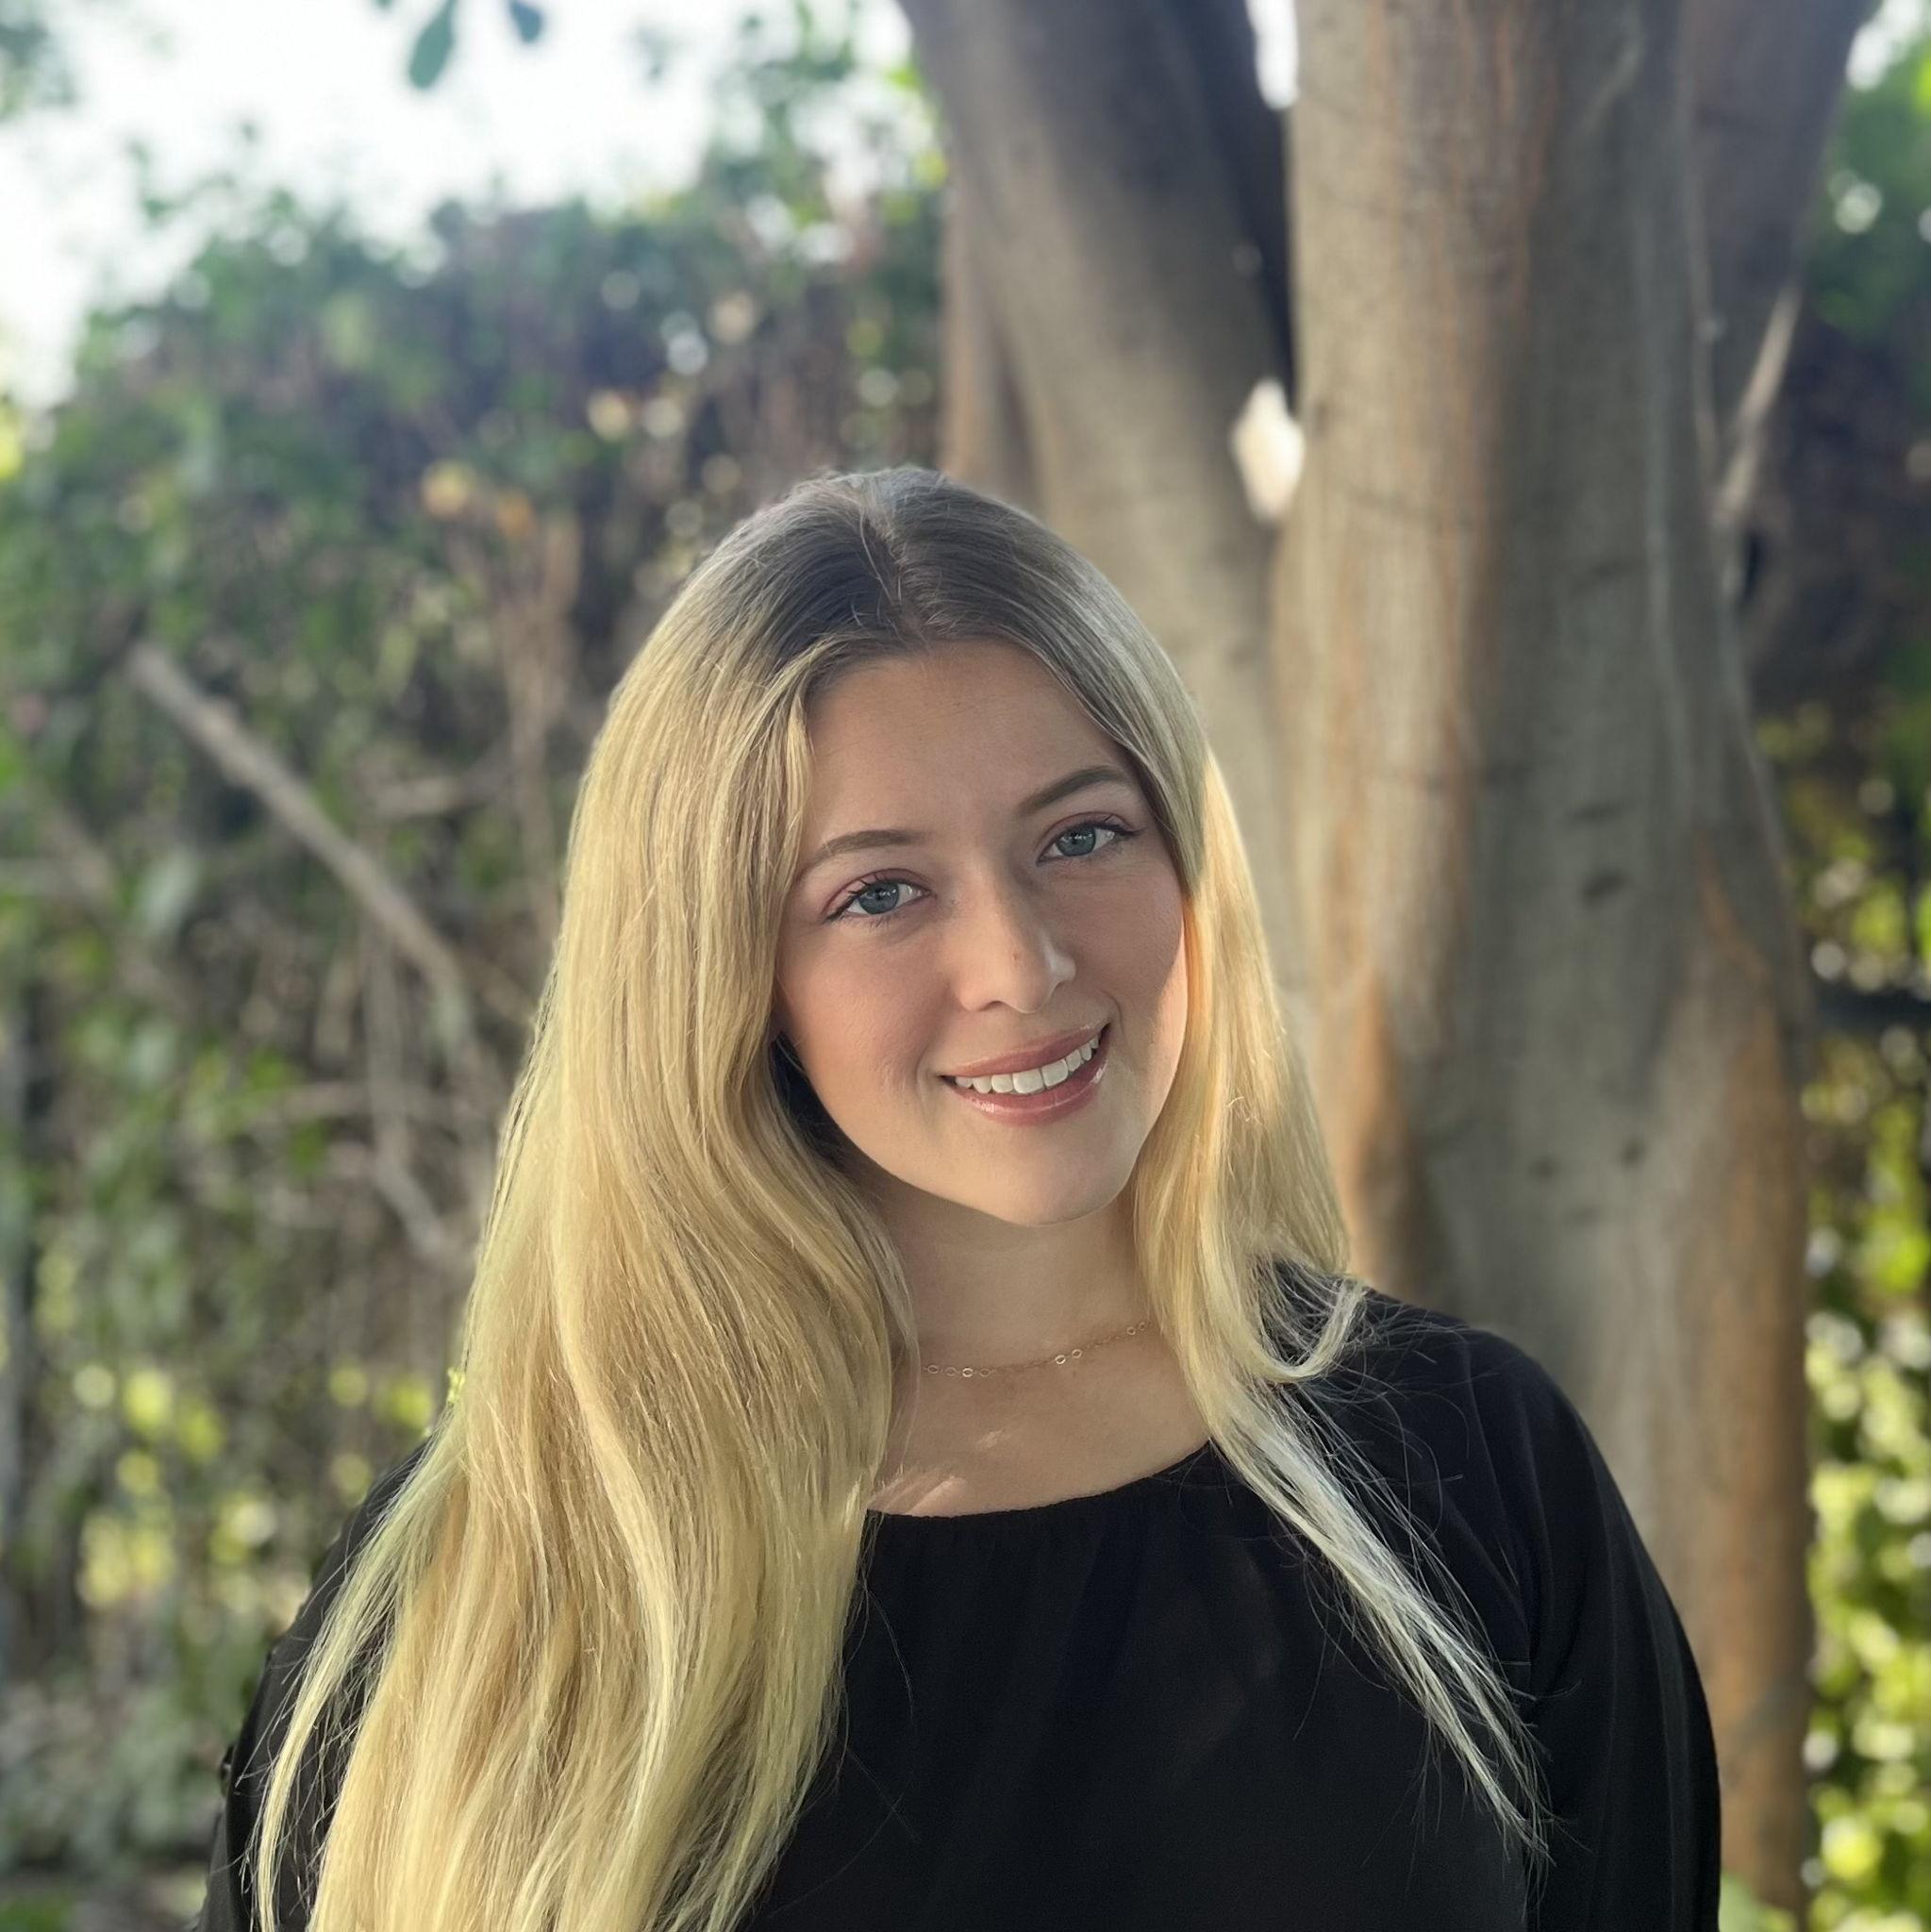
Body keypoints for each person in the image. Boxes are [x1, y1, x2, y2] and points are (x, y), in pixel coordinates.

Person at [193, 465, 1722, 1932]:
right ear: (726, 976)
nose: (1021, 966)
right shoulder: (488, 1588)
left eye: (1082, 835)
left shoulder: (1474, 1467)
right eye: (879, 892)